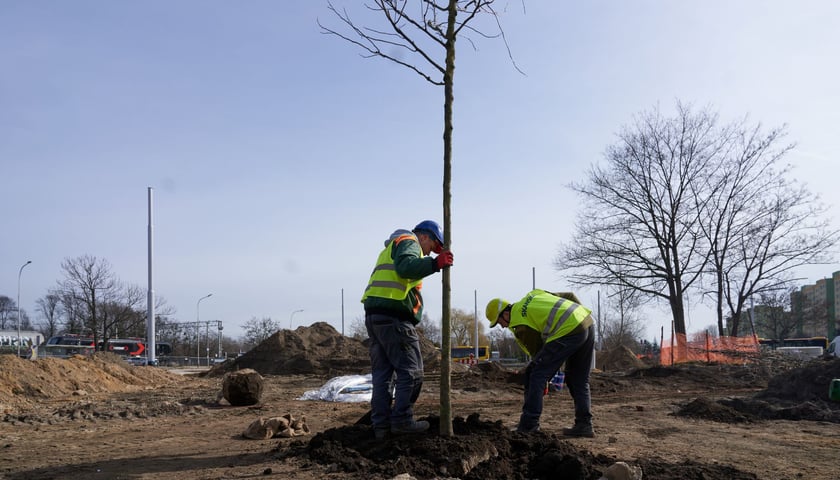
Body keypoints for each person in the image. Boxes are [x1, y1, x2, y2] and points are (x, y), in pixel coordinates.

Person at [362, 220, 454, 440]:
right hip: (394, 318)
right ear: (424, 236)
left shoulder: (392, 246)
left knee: (383, 376)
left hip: (375, 317)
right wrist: (435, 264)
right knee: (412, 372)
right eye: (433, 246)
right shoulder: (409, 241)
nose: (431, 251)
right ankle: (402, 420)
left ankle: (381, 427)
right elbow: (405, 269)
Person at [485, 289, 595, 437]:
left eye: (499, 322)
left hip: (568, 330)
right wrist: (579, 317)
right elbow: (569, 296)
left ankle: (529, 425)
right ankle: (584, 425)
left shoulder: (521, 324)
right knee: (578, 379)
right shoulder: (533, 295)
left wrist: (542, 379)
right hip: (586, 321)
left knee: (535, 375)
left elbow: (537, 352)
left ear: (505, 313)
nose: (503, 326)